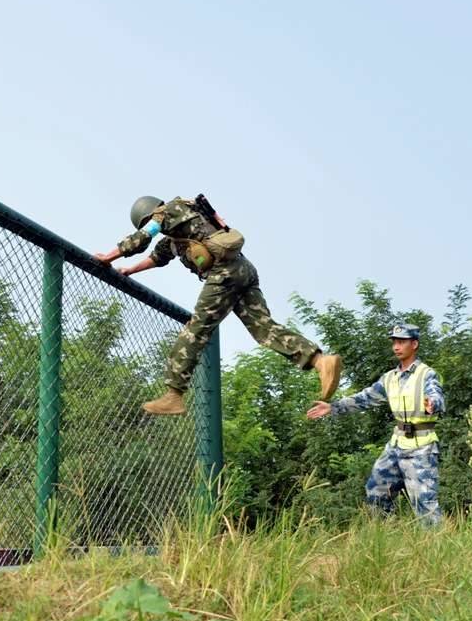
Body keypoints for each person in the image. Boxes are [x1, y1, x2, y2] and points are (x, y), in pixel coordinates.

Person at [95, 195, 342, 416]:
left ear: (148, 214)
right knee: (264, 330)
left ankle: (174, 394)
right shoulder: (179, 231)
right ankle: (320, 361)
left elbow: (142, 238)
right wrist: (129, 270)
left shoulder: (167, 211)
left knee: (196, 329)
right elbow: (156, 257)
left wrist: (109, 257)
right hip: (244, 270)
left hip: (224, 274)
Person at [307, 324, 445, 526]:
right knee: (376, 490)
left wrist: (432, 404)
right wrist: (333, 407)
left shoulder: (426, 374)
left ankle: (438, 548)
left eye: (402, 342)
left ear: (414, 344)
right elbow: (365, 398)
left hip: (421, 447)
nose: (397, 346)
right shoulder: (390, 378)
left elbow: (436, 395)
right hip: (396, 444)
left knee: (424, 503)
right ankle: (388, 537)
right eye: (395, 342)